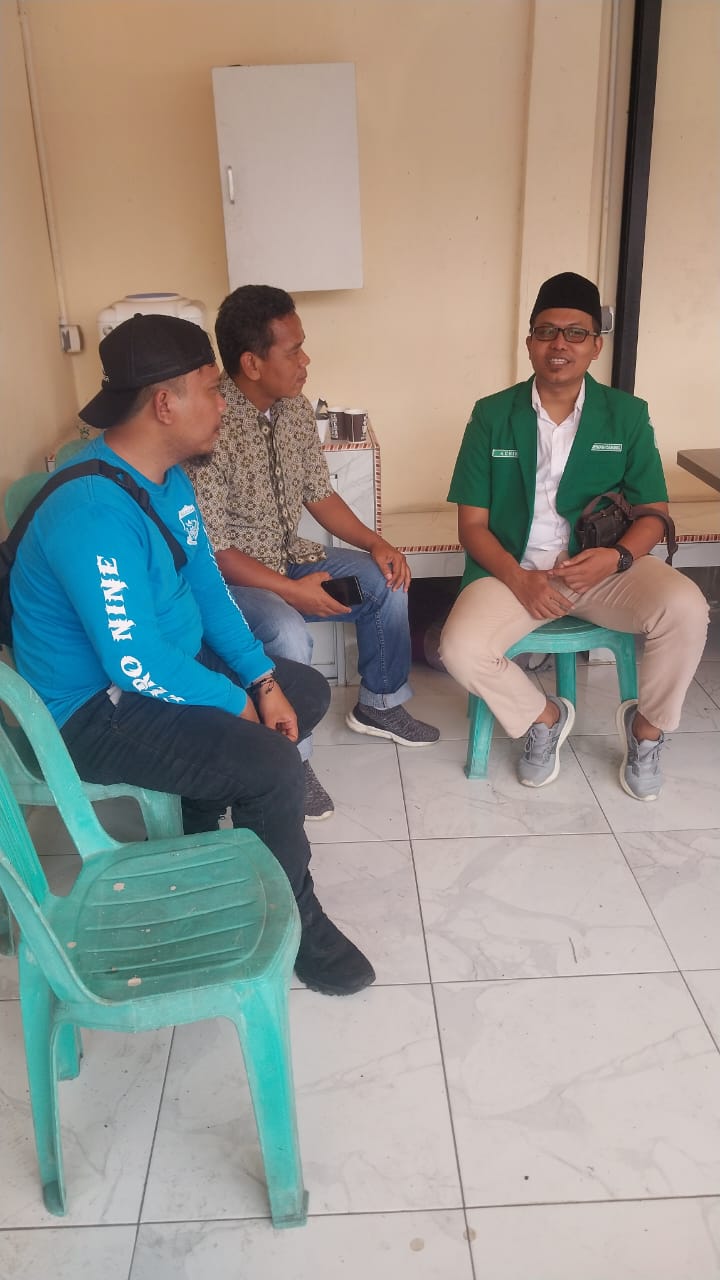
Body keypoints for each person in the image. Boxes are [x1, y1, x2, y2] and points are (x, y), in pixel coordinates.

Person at [9, 313, 374, 996]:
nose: (223, 406)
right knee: (271, 765)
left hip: (153, 671)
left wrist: (261, 680)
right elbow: (133, 663)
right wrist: (235, 703)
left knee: (303, 692)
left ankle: (198, 819)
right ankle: (295, 916)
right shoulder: (92, 510)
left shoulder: (168, 478)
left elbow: (208, 589)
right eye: (210, 389)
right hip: (93, 710)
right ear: (164, 404)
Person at [440, 272, 709, 801]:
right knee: (459, 648)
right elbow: (471, 526)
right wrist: (519, 578)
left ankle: (646, 730)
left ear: (595, 346)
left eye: (575, 333)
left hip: (603, 571)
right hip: (514, 571)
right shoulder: (492, 415)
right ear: (529, 342)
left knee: (686, 608)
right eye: (546, 331)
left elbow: (654, 514)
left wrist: (616, 557)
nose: (559, 343)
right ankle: (544, 718)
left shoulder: (626, 415)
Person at [185, 285, 439, 822]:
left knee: (383, 578)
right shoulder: (209, 423)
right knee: (286, 631)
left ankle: (380, 704)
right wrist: (292, 592)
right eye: (294, 350)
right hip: (232, 580)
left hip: (290, 556)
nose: (306, 361)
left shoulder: (295, 409)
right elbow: (215, 551)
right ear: (252, 363)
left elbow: (318, 494)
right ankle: (292, 761)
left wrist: (376, 543)